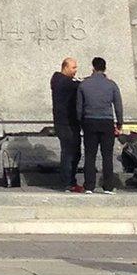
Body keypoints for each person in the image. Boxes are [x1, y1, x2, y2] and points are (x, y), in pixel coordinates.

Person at [76, 57, 123, 194]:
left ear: (93, 68)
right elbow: (118, 107)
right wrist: (119, 123)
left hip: (89, 121)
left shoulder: (84, 85)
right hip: (106, 122)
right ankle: (108, 186)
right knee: (107, 155)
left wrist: (80, 122)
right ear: (105, 68)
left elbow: (79, 107)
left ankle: (89, 186)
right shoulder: (112, 85)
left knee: (90, 155)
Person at [51, 58, 83, 192]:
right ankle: (68, 183)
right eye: (73, 68)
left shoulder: (64, 81)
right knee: (69, 153)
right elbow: (74, 86)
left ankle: (70, 181)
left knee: (75, 153)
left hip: (70, 123)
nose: (75, 71)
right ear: (65, 67)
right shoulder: (61, 81)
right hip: (66, 124)